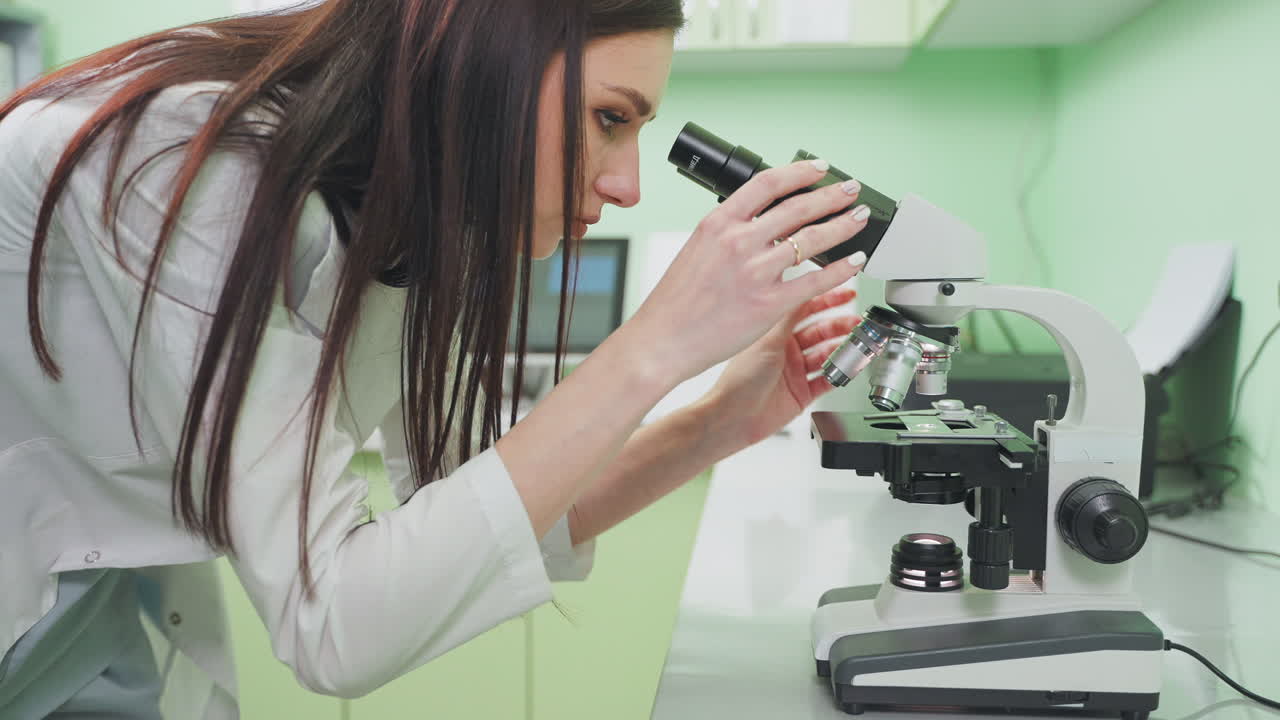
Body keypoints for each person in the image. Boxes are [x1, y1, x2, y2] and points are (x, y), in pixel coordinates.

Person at [0, 0, 871, 716]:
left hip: (92, 588)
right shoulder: (201, 171)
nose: (626, 185)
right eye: (610, 119)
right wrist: (654, 346)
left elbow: (475, 503)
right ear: (477, 55)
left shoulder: (410, 208)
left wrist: (721, 418)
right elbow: (332, 625)